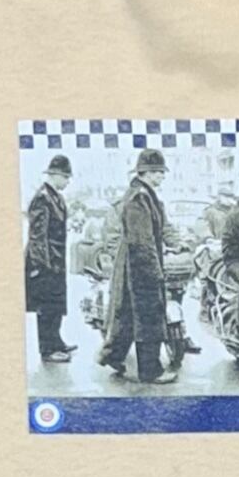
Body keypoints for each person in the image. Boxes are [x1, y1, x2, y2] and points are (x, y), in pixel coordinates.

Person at [99, 148, 174, 383]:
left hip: (132, 264)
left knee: (128, 315)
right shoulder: (139, 199)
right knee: (149, 316)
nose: (162, 176)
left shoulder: (144, 195)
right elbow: (142, 241)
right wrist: (155, 272)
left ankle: (113, 356)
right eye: (159, 172)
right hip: (139, 266)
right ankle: (150, 371)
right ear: (147, 173)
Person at [23, 153, 75, 362]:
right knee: (46, 307)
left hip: (55, 261)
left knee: (56, 304)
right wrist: (41, 266)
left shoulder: (55, 197)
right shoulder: (42, 198)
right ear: (55, 175)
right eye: (66, 177)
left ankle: (56, 341)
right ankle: (47, 350)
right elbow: (37, 235)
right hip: (45, 263)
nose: (68, 181)